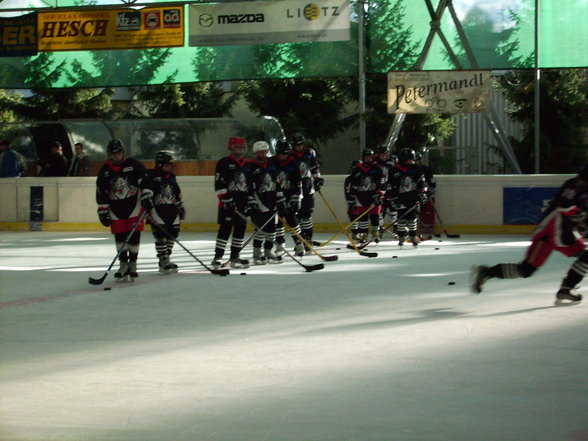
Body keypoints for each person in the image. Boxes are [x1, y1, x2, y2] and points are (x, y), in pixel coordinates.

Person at [471, 164, 588, 305]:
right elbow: (563, 204)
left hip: (560, 230)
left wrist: (580, 219)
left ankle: (488, 272)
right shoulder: (578, 184)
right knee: (584, 257)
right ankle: (567, 288)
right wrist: (578, 215)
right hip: (554, 228)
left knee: (527, 269)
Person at [96, 138, 153, 282]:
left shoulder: (133, 165)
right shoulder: (105, 170)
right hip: (115, 209)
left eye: (119, 153)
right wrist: (103, 209)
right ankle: (123, 264)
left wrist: (146, 194)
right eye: (114, 154)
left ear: (123, 153)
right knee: (120, 237)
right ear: (109, 154)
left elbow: (146, 180)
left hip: (134, 207)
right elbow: (101, 191)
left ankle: (132, 264)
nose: (116, 156)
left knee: (134, 237)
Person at [212, 137, 255, 269]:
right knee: (225, 230)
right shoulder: (224, 162)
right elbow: (219, 182)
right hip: (227, 204)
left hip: (242, 204)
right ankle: (217, 257)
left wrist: (250, 201)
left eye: (242, 147)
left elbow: (250, 185)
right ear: (231, 148)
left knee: (240, 230)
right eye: (237, 147)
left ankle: (235, 256)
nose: (240, 150)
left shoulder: (247, 165)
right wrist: (226, 198)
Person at [145, 151, 185, 274]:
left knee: (173, 233)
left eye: (170, 165)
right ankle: (163, 260)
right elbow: (146, 191)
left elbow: (177, 193)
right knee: (160, 234)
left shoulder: (171, 176)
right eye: (167, 165)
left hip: (171, 209)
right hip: (157, 209)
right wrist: (146, 203)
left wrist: (180, 206)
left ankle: (167, 257)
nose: (169, 167)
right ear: (160, 164)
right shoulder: (150, 175)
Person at [248, 141, 283, 265]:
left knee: (272, 228)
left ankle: (268, 251)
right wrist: (252, 200)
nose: (263, 153)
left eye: (265, 151)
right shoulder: (251, 166)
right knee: (260, 229)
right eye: (260, 152)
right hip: (259, 201)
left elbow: (277, 182)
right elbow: (248, 185)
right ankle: (257, 253)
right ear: (255, 152)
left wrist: (280, 197)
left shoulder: (272, 164)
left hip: (272, 200)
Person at [289, 132, 324, 254]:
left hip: (308, 188)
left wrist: (318, 179)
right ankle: (299, 241)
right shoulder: (289, 155)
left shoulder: (310, 152)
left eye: (300, 144)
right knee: (296, 217)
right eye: (296, 145)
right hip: (294, 190)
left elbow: (315, 167)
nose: (299, 147)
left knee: (307, 214)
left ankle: (307, 241)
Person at [272, 139, 305, 256]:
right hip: (274, 197)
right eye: (281, 153)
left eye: (286, 153)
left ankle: (299, 244)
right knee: (277, 221)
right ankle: (280, 245)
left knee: (292, 219)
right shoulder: (271, 162)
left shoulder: (293, 164)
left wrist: (296, 198)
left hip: (289, 197)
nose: (283, 156)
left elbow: (297, 182)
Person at [389, 148, 427, 247]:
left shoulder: (416, 169)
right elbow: (390, 185)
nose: (411, 161)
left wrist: (423, 193)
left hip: (413, 197)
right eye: (409, 159)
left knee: (412, 217)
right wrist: (393, 198)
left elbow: (422, 182)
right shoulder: (394, 169)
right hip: (400, 198)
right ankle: (401, 237)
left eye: (412, 159)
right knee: (401, 218)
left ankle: (413, 236)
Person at [346, 149, 385, 242]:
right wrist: (352, 198)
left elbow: (382, 182)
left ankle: (375, 232)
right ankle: (364, 234)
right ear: (363, 158)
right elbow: (352, 185)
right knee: (363, 217)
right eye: (366, 157)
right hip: (361, 197)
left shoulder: (377, 168)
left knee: (375, 216)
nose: (367, 159)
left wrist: (379, 194)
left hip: (374, 196)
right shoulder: (357, 169)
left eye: (369, 157)